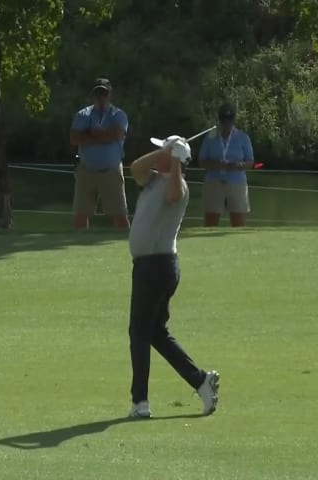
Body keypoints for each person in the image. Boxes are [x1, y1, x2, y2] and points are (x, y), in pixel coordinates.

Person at [126, 136, 220, 418]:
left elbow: (174, 195)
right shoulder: (152, 177)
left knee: (138, 333)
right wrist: (164, 152)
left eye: (164, 149)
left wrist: (176, 159)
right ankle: (201, 380)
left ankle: (140, 402)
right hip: (150, 266)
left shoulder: (179, 186)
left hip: (158, 266)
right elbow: (134, 168)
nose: (159, 152)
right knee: (155, 333)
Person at [69, 78, 130, 230]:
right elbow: (75, 138)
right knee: (80, 214)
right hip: (86, 170)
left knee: (119, 214)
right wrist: (103, 136)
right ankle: (79, 247)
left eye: (104, 94)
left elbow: (116, 135)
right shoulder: (83, 114)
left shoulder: (119, 115)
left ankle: (123, 245)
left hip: (111, 170)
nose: (101, 98)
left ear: (110, 95)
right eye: (97, 94)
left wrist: (89, 135)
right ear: (92, 95)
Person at [197, 103, 255, 227]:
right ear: (220, 119)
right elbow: (201, 161)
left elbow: (250, 162)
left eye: (229, 120)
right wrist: (216, 165)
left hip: (237, 182)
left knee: (238, 222)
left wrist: (238, 165)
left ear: (234, 119)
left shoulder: (243, 138)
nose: (227, 123)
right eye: (224, 119)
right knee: (210, 222)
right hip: (214, 182)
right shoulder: (210, 137)